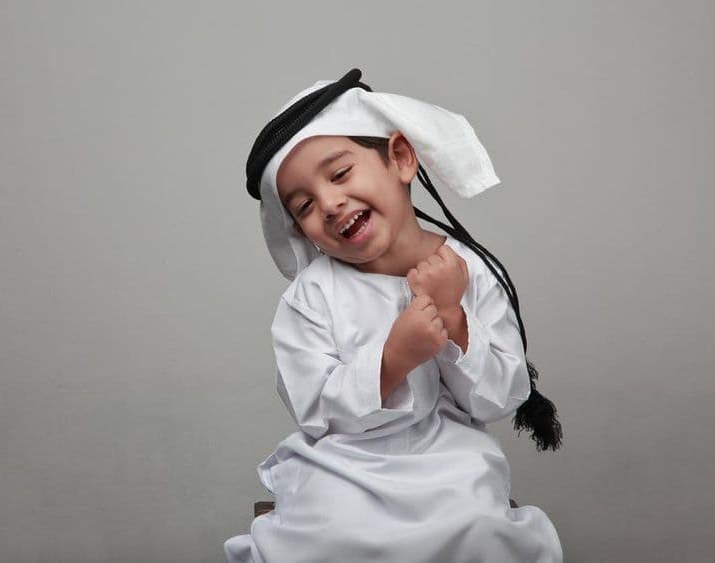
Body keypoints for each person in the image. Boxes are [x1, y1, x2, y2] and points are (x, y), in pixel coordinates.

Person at [224, 69, 563, 562]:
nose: (330, 203)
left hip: (449, 457)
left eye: (340, 174)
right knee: (331, 530)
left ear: (400, 158)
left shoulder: (469, 270)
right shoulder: (311, 296)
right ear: (299, 229)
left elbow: (499, 397)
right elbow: (314, 409)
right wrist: (392, 361)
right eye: (305, 205)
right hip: (344, 464)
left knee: (474, 526)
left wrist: (454, 318)